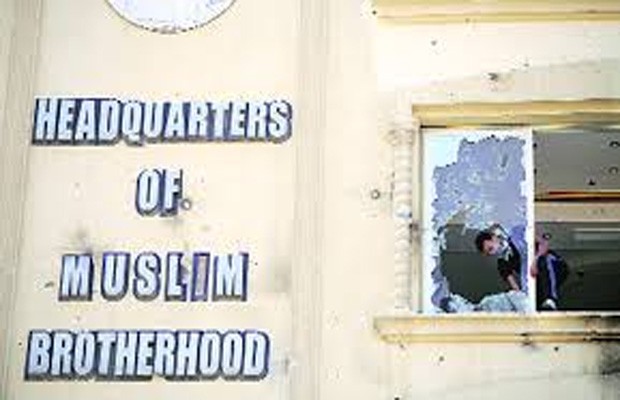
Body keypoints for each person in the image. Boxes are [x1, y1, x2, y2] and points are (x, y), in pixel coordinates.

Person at [474, 224, 522, 292]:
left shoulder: (513, 236)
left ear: (493, 237)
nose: (492, 253)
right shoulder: (502, 263)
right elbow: (515, 287)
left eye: (491, 248)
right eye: (489, 253)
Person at [530, 235, 570, 311]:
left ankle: (550, 299)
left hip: (557, 268)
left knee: (545, 260)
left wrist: (536, 257)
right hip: (540, 280)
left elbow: (534, 271)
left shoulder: (547, 256)